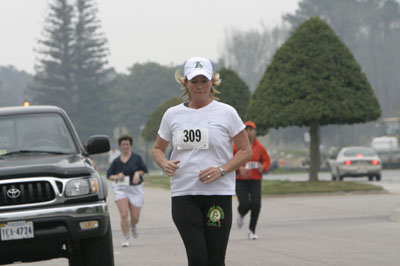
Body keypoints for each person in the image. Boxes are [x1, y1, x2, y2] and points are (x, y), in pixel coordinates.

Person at [152, 57, 252, 266]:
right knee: (197, 256)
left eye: (203, 81)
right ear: (185, 83)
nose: (199, 86)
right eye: (194, 81)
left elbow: (245, 150)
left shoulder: (226, 112)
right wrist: (164, 163)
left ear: (212, 82)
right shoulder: (172, 114)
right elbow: (158, 149)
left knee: (215, 260)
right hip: (184, 194)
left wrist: (222, 170)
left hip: (218, 194)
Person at [106, 134, 148, 247]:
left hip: (135, 188)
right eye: (123, 144)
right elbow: (109, 175)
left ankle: (133, 225)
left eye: (127, 144)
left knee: (135, 218)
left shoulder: (137, 158)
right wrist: (117, 177)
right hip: (121, 189)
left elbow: (144, 170)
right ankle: (126, 238)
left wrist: (137, 173)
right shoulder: (116, 161)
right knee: (124, 214)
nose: (125, 146)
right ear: (120, 146)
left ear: (130, 145)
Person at [234, 121, 271, 240]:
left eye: (251, 130)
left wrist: (263, 167)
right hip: (241, 180)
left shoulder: (260, 148)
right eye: (246, 130)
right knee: (244, 204)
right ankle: (241, 213)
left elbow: (266, 161)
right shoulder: (237, 146)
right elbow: (230, 159)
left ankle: (251, 230)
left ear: (255, 132)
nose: (248, 132)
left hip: (255, 180)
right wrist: (239, 168)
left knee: (256, 205)